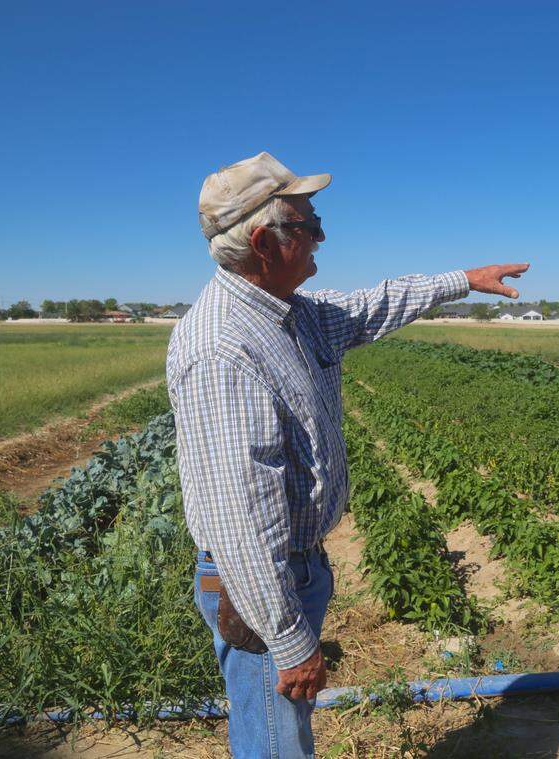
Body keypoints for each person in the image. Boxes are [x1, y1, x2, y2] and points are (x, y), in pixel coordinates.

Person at [166, 151, 528, 758]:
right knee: (277, 745)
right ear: (264, 242)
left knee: (283, 733)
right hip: (261, 582)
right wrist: (287, 639)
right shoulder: (223, 349)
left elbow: (373, 304)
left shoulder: (293, 315)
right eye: (309, 226)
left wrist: (465, 279)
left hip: (292, 569)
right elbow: (242, 522)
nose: (321, 237)